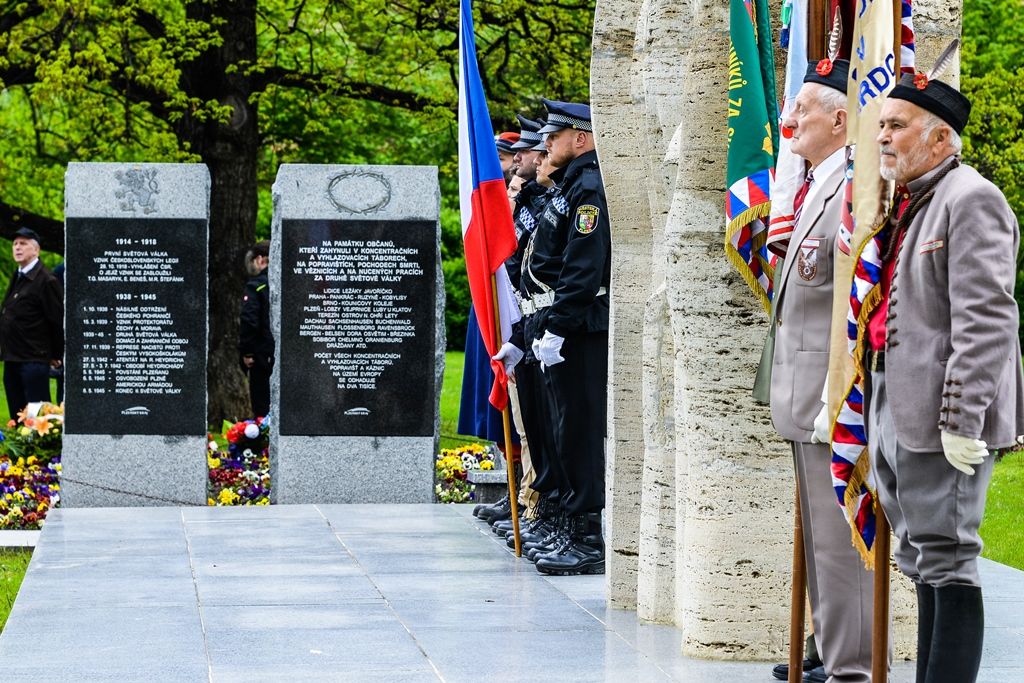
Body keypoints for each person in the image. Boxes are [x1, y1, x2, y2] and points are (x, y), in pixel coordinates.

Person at [866, 73, 1024, 683]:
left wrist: (961, 419)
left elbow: (986, 319)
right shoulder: (917, 198)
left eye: (896, 125)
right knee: (922, 555)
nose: (882, 137)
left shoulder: (970, 197)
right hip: (898, 402)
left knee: (950, 557)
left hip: (941, 414)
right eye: (882, 124)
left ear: (939, 138)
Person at [768, 59, 875, 683]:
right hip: (801, 391)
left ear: (841, 119)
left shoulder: (852, 190)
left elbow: (849, 304)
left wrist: (840, 388)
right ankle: (829, 646)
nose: (790, 120)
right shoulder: (815, 186)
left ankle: (853, 666)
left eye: (803, 109)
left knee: (838, 541)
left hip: (828, 392)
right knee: (817, 536)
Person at [518, 98, 611, 575]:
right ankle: (564, 520)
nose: (544, 144)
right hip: (555, 322)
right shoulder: (567, 187)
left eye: (553, 136)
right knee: (557, 431)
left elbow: (582, 267)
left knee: (578, 432)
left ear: (582, 138)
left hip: (578, 325)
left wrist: (556, 326)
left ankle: (587, 537)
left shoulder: (589, 187)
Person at [0, 227, 63, 420]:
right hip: (13, 358)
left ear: (36, 250)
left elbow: (56, 319)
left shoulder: (46, 280)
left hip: (33, 359)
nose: (17, 248)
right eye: (15, 244)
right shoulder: (18, 275)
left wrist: (56, 354)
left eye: (23, 244)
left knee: (37, 420)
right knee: (17, 418)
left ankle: (43, 452)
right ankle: (21, 452)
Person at [238, 240, 273, 418]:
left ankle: (266, 445)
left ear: (259, 260)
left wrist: (248, 352)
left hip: (260, 355)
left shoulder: (256, 285)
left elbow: (249, 320)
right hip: (281, 354)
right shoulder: (286, 282)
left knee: (262, 406)